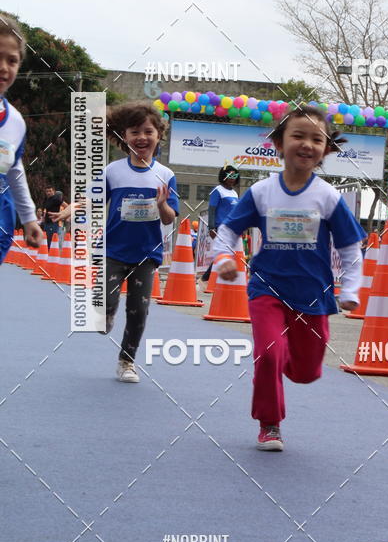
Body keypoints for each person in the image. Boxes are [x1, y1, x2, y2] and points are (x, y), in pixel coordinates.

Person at [211, 105, 366, 451]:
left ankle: (281, 360)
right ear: (279, 144)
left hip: (313, 295)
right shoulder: (261, 192)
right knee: (268, 353)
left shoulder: (327, 196)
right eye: (298, 135)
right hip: (266, 287)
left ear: (326, 149)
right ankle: (270, 423)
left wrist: (351, 289)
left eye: (316, 138)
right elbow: (227, 231)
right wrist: (223, 257)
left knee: (306, 372)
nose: (307, 144)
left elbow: (351, 248)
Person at [52, 102, 179, 383]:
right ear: (124, 136)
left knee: (139, 310)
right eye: (135, 131)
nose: (141, 137)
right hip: (113, 251)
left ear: (159, 135)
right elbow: (91, 198)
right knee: (106, 304)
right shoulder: (113, 171)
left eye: (148, 131)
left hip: (147, 254)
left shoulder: (166, 175)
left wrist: (161, 205)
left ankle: (126, 362)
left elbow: (170, 218)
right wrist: (70, 209)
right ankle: (105, 314)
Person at [0, 13, 44, 264]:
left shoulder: (15, 123)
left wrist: (28, 219)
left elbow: (14, 170)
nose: (4, 67)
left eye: (12, 60)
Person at [201, 164, 240, 282]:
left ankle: (209, 278)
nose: (232, 178)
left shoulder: (234, 193)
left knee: (225, 253)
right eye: (230, 175)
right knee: (223, 252)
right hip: (219, 228)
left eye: (235, 175)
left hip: (231, 228)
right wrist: (211, 227)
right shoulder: (217, 190)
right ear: (224, 176)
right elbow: (212, 209)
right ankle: (206, 278)